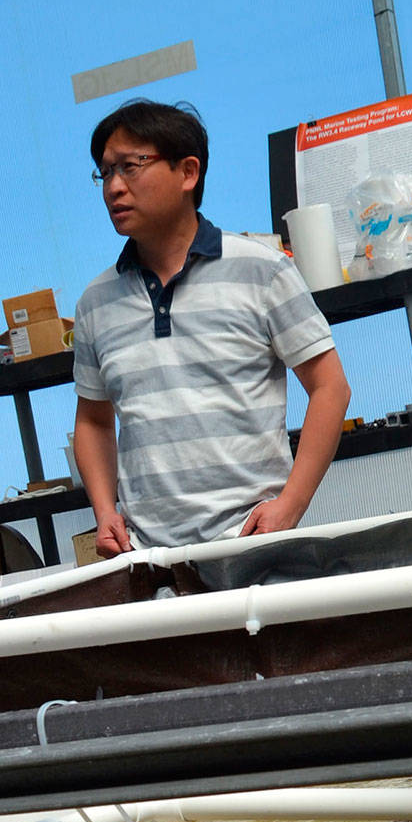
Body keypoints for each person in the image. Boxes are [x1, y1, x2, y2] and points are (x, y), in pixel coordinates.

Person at [72, 101, 351, 577]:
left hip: (257, 549)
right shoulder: (95, 302)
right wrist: (104, 512)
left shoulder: (261, 270)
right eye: (105, 173)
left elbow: (331, 388)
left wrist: (290, 505)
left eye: (131, 166)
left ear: (188, 172)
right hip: (152, 563)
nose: (115, 187)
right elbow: (94, 421)